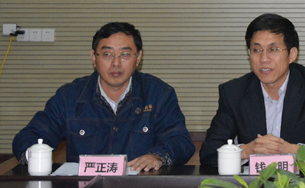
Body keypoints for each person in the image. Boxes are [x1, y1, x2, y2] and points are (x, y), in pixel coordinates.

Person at [13, 22, 195, 172]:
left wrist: (158, 156)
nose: (116, 63)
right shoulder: (70, 96)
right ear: (94, 57)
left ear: (138, 57)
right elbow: (30, 136)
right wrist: (34, 155)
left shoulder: (159, 94)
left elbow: (180, 141)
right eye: (107, 54)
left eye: (125, 55)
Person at [199, 13, 305, 166]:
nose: (264, 59)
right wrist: (247, 150)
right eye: (256, 50)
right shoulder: (233, 92)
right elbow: (209, 152)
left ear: (292, 54)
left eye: (273, 49)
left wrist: (291, 150)